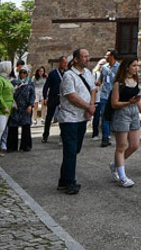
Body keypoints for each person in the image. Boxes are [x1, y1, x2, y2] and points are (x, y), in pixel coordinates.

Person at [57, 48, 96, 194]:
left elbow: (93, 89)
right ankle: (70, 183)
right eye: (84, 57)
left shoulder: (88, 73)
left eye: (88, 56)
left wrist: (90, 106)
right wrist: (88, 106)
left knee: (75, 150)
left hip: (82, 118)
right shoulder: (69, 75)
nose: (87, 59)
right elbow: (71, 96)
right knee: (71, 150)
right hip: (69, 118)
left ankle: (63, 180)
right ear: (76, 59)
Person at [109, 56, 141, 188]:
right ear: (127, 67)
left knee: (134, 145)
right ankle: (122, 176)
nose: (136, 68)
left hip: (134, 112)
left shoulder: (135, 81)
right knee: (121, 145)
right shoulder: (119, 83)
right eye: (134, 65)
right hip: (122, 113)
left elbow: (138, 100)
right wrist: (127, 103)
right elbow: (114, 103)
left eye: (137, 65)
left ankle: (116, 164)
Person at [7, 66, 36, 152]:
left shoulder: (30, 83)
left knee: (26, 126)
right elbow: (10, 94)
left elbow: (32, 95)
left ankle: (25, 145)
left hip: (26, 107)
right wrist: (12, 103)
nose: (22, 74)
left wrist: (30, 105)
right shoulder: (14, 83)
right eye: (21, 72)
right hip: (16, 107)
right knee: (13, 127)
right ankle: (12, 146)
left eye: (24, 73)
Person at [95, 50, 120, 147]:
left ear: (112, 56)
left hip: (115, 95)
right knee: (105, 116)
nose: (106, 57)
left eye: (108, 55)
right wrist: (98, 83)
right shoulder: (104, 68)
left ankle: (118, 136)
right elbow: (101, 78)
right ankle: (105, 138)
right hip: (105, 95)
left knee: (116, 116)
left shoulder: (119, 67)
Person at [43, 56, 67, 143]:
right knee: (49, 117)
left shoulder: (67, 73)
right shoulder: (53, 73)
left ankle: (62, 136)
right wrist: (45, 97)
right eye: (64, 62)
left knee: (63, 117)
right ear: (60, 63)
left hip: (63, 97)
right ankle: (45, 135)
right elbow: (47, 85)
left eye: (66, 63)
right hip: (53, 96)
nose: (65, 64)